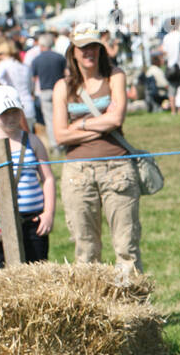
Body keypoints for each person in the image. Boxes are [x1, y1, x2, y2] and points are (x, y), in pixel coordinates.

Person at [53, 25, 143, 274]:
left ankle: (132, 307)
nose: (89, 52)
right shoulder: (64, 86)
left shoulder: (115, 76)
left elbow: (116, 120)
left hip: (117, 167)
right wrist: (99, 125)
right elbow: (60, 134)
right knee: (86, 249)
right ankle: (93, 309)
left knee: (127, 247)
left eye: (93, 46)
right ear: (73, 51)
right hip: (78, 172)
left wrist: (78, 125)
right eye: (83, 47)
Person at [0, 85, 55, 266]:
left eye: (15, 112)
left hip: (33, 219)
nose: (11, 118)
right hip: (0, 217)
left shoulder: (33, 141)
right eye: (4, 113)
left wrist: (48, 213)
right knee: (5, 269)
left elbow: (47, 178)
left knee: (38, 267)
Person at [29, 32, 66, 149]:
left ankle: (55, 145)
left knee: (50, 120)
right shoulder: (59, 57)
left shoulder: (36, 60)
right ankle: (64, 141)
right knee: (62, 116)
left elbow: (33, 79)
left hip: (45, 92)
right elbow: (66, 74)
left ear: (41, 45)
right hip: (60, 90)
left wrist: (32, 93)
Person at [0, 37, 37, 129]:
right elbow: (31, 86)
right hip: (28, 104)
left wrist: (5, 87)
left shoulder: (5, 64)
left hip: (13, 105)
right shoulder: (24, 66)